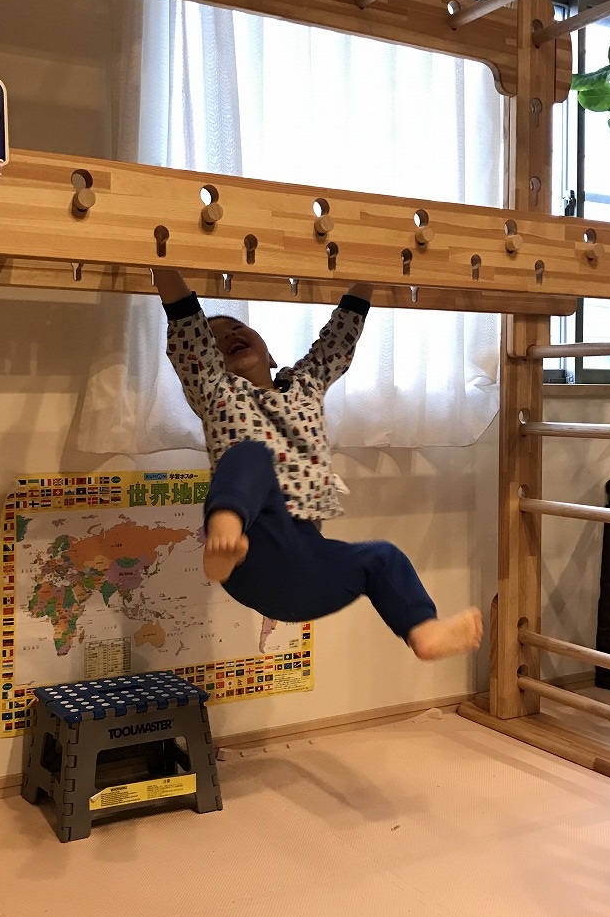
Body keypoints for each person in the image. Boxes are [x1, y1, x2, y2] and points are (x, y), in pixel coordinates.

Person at [152, 267, 483, 661]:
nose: (228, 337)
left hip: (308, 566)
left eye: (237, 328)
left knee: (383, 557)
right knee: (250, 454)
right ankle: (223, 531)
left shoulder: (306, 384)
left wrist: (369, 272)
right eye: (216, 340)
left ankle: (423, 631)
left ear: (272, 355)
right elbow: (186, 327)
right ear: (207, 364)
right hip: (250, 552)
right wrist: (162, 265)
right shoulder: (215, 390)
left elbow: (338, 339)